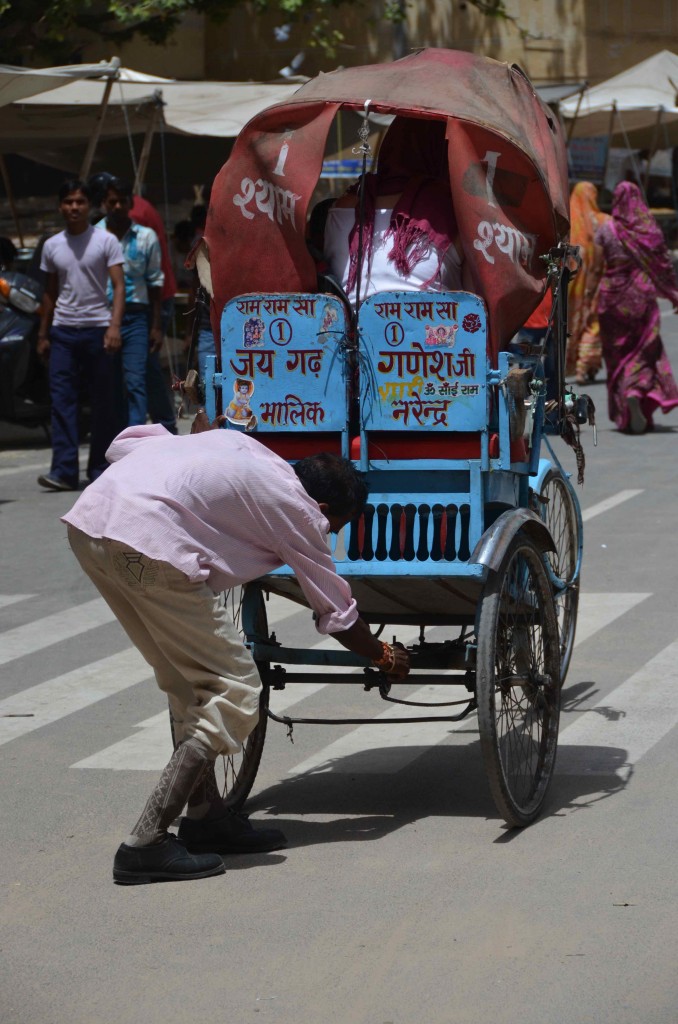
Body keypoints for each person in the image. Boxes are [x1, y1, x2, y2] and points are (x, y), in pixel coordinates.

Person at [62, 414, 410, 884]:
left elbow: (127, 441)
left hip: (92, 524)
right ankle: (145, 842)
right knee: (238, 687)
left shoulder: (242, 446)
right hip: (146, 543)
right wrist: (383, 655)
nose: (327, 533)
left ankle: (206, 817)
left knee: (189, 684)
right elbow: (336, 610)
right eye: (334, 526)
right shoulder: (299, 508)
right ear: (323, 506)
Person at [322, 117, 467, 307]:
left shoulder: (345, 202)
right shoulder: (453, 208)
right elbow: (477, 294)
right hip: (433, 331)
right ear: (444, 153)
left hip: (352, 332)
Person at [36, 179, 125, 491]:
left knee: (103, 403)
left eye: (79, 202)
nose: (74, 207)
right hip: (63, 332)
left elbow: (118, 286)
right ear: (61, 206)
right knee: (62, 402)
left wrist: (114, 327)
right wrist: (43, 334)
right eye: (68, 202)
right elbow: (50, 292)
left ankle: (101, 469)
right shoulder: (51, 246)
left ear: (89, 206)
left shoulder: (105, 241)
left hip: (98, 331)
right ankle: (63, 471)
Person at [595, 181, 678, 434]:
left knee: (617, 354)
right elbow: (663, 263)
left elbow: (599, 266)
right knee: (644, 350)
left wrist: (588, 297)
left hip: (611, 297)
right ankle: (637, 389)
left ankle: (625, 409)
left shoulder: (605, 229)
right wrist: (673, 294)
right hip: (641, 297)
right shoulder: (648, 229)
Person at [97, 178, 176, 433]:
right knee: (111, 383)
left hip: (137, 317)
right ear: (103, 205)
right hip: (103, 317)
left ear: (131, 203)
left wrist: (156, 325)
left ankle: (135, 439)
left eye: (122, 201)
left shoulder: (145, 237)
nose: (118, 206)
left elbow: (155, 282)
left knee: (136, 380)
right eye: (112, 202)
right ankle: (117, 436)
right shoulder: (95, 236)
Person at [566, 181, 609, 385]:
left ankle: (572, 365)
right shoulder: (604, 221)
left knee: (572, 323)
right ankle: (586, 366)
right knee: (593, 324)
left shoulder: (567, 222)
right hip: (598, 282)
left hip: (571, 286)